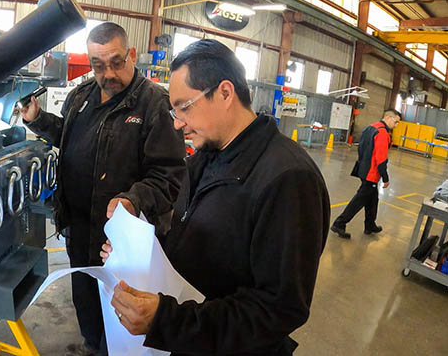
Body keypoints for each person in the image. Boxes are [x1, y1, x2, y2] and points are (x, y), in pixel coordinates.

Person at [101, 39, 330, 356]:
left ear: (225, 93)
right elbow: (191, 242)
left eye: (184, 107)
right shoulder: (203, 159)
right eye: (174, 109)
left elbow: (278, 309)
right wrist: (137, 249)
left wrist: (169, 321)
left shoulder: (288, 179)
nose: (178, 122)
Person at [21, 22, 185, 355]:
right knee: (86, 304)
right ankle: (93, 346)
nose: (108, 73)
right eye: (98, 65)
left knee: (123, 315)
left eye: (116, 62)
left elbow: (169, 175)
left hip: (123, 240)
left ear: (132, 55)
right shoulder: (80, 97)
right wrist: (38, 119)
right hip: (79, 230)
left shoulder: (154, 105)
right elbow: (70, 137)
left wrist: (133, 199)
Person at [330, 109, 401, 239]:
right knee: (359, 200)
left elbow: (361, 148)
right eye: (395, 122)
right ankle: (339, 223)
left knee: (373, 199)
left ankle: (370, 225)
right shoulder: (382, 133)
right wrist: (385, 178)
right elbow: (381, 159)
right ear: (388, 117)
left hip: (363, 168)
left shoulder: (370, 128)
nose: (396, 125)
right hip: (371, 173)